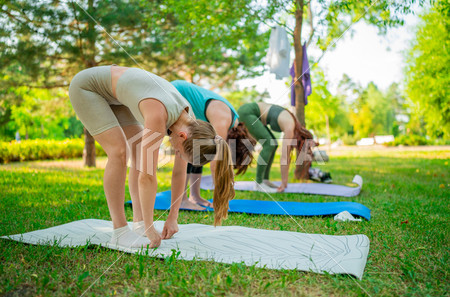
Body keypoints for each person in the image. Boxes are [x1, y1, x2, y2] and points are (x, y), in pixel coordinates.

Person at [69, 65, 235, 249]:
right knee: (119, 151)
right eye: (179, 152)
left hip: (115, 97)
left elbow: (180, 174)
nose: (176, 153)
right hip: (88, 88)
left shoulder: (191, 123)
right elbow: (147, 176)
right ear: (183, 137)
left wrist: (173, 218)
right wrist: (151, 228)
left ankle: (138, 223)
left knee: (139, 149)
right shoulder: (158, 115)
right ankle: (120, 232)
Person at [171, 80, 255, 210]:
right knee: (184, 153)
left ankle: (195, 196)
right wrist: (220, 198)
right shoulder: (223, 120)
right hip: (174, 94)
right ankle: (182, 200)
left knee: (199, 151)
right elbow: (216, 164)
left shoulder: (233, 123)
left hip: (181, 99)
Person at [238, 102, 315, 193]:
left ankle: (265, 180)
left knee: (273, 144)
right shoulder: (290, 127)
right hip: (248, 112)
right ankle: (259, 184)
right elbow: (284, 158)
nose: (295, 147)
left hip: (251, 113)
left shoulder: (293, 124)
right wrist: (284, 183)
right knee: (269, 144)